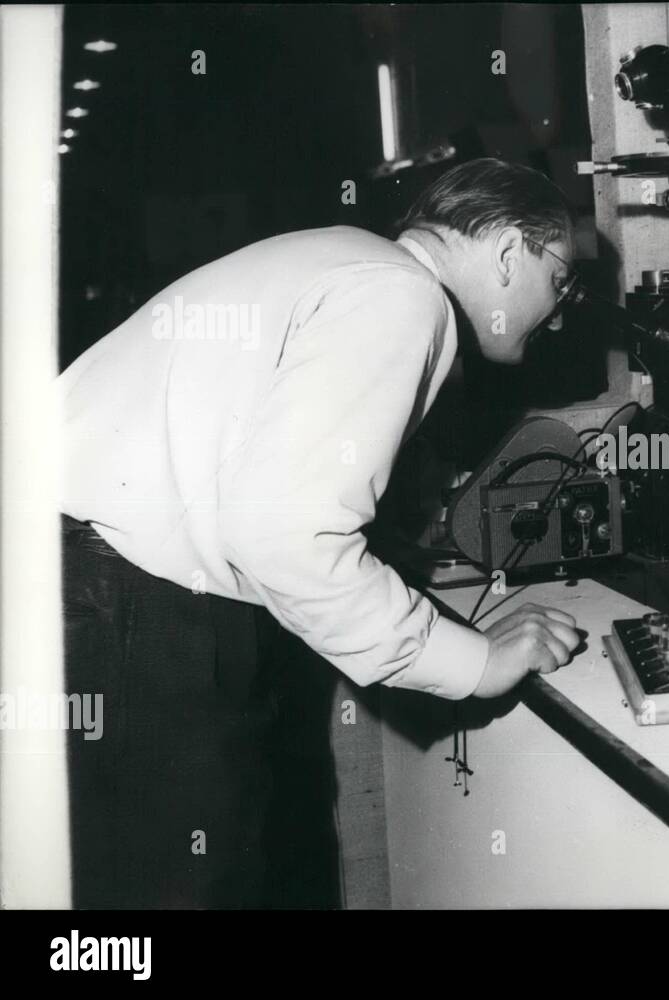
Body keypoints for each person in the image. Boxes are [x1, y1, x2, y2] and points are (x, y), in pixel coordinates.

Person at [57, 158, 583, 907]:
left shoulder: (346, 258)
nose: (560, 312)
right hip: (128, 606)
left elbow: (263, 494)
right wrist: (475, 662)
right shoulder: (402, 296)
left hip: (94, 585)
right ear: (507, 250)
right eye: (561, 280)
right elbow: (286, 533)